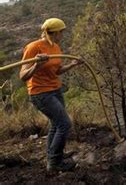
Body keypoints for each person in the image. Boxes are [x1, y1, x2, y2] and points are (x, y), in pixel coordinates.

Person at [19, 18, 83, 172]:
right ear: (54, 32)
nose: (63, 34)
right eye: (62, 31)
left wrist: (73, 65)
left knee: (56, 124)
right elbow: (23, 75)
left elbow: (57, 71)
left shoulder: (56, 48)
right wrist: (36, 65)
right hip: (40, 93)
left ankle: (53, 158)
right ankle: (55, 162)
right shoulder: (34, 47)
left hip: (55, 90)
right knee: (64, 124)